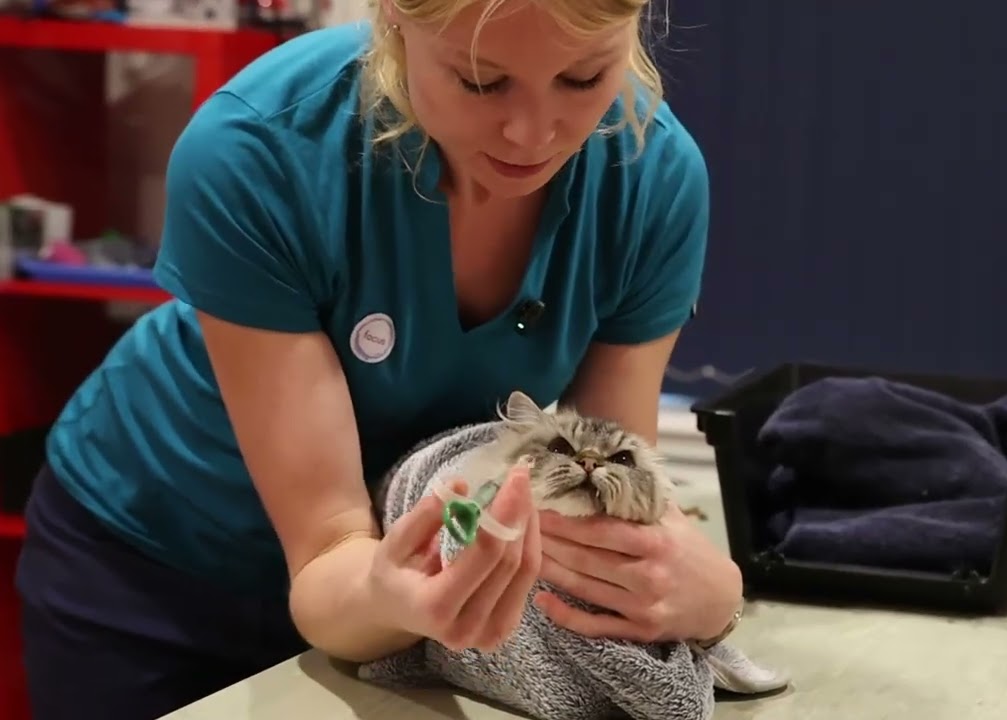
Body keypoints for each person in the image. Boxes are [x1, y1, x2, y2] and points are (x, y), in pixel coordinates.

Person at [13, 1, 745, 718]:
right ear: (394, 13)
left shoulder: (652, 175)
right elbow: (330, 547)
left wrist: (712, 596)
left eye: (584, 78)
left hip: (400, 597)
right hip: (155, 568)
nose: (533, 132)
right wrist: (406, 594)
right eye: (482, 82)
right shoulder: (259, 148)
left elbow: (614, 494)